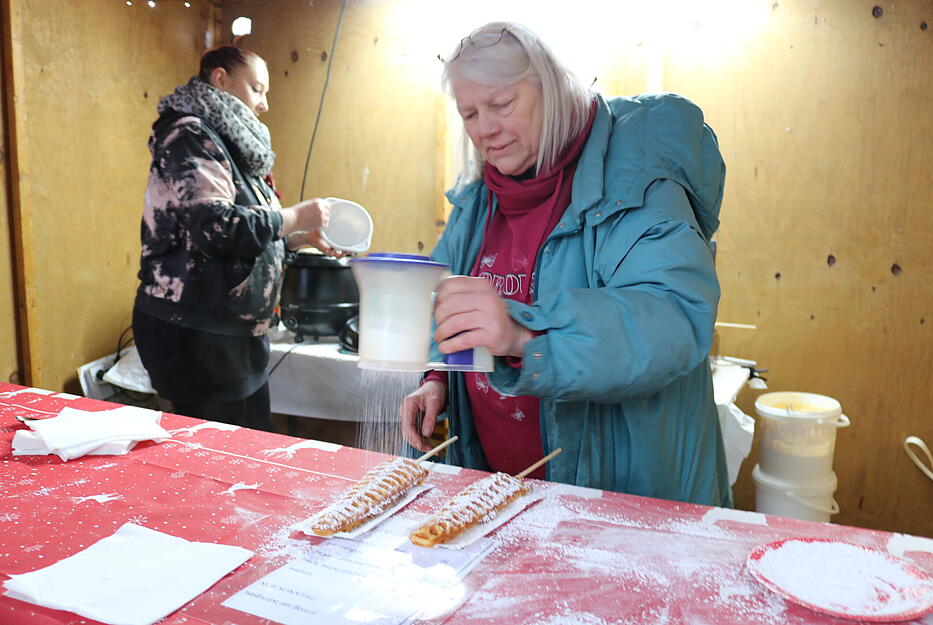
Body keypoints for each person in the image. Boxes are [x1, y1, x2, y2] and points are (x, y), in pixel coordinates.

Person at [399, 22, 731, 506]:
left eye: (501, 104)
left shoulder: (636, 180)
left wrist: (524, 334)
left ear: (549, 89)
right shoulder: (479, 201)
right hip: (500, 497)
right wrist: (438, 379)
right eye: (469, 113)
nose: (484, 129)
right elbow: (449, 305)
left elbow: (673, 317)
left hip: (620, 502)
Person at [133, 46, 337, 431]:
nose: (263, 104)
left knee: (249, 449)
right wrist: (293, 216)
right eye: (257, 89)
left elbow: (242, 240)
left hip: (234, 337)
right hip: (196, 335)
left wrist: (294, 238)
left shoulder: (233, 144)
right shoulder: (189, 134)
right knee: (218, 462)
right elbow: (215, 228)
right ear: (221, 79)